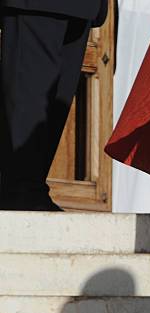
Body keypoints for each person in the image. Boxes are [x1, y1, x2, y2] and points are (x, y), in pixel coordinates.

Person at [0, 0, 108, 210]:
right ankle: (20, 192)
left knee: (58, 99)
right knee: (29, 94)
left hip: (82, 7)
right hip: (35, 4)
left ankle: (31, 190)